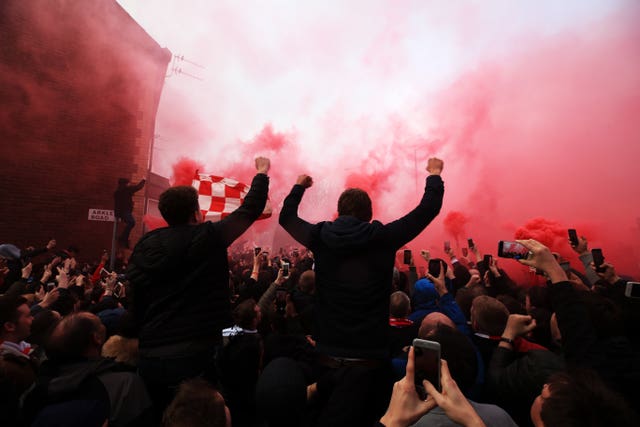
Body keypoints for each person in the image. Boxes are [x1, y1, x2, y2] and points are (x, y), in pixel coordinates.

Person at [279, 157, 444, 426]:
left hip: (326, 360)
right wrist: (434, 175)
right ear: (368, 214)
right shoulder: (383, 237)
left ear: (339, 211)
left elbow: (286, 218)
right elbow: (427, 209)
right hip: (370, 364)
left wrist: (299, 186)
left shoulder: (321, 236)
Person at [126, 157, 270, 414]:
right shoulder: (208, 237)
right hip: (196, 354)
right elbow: (250, 209)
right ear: (196, 212)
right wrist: (261, 172)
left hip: (150, 354)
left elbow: (135, 299)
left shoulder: (144, 247)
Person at [114, 177, 146, 248]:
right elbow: (138, 187)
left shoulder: (117, 192)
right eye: (128, 183)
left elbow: (116, 204)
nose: (129, 184)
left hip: (121, 213)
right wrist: (143, 180)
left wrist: (116, 214)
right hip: (126, 212)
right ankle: (123, 238)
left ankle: (124, 239)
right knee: (132, 222)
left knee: (130, 223)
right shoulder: (127, 190)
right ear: (125, 184)